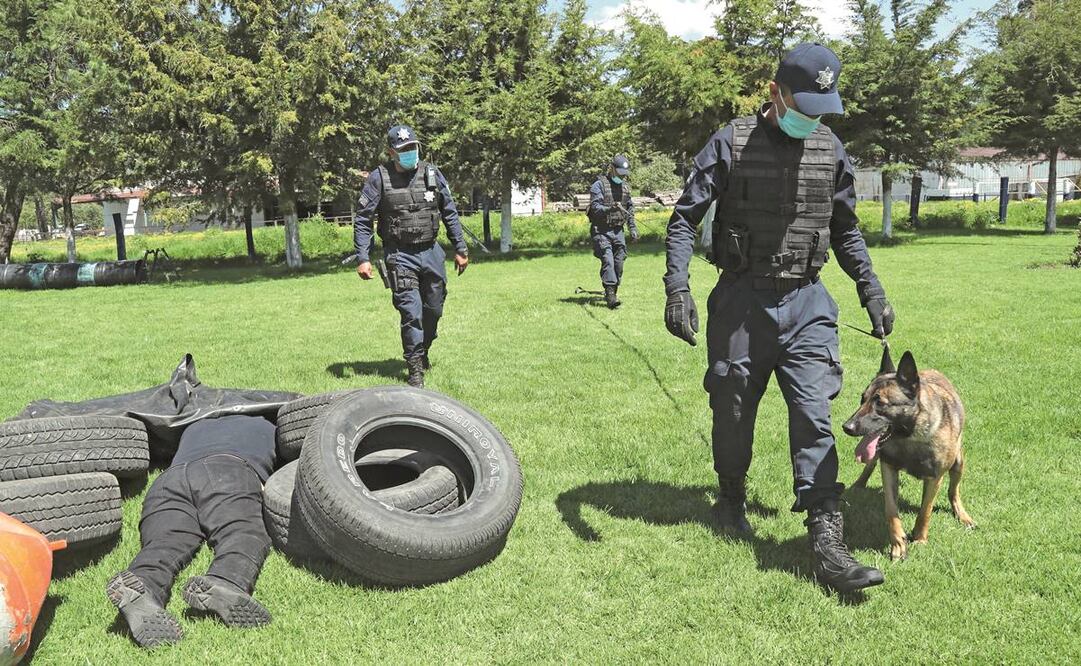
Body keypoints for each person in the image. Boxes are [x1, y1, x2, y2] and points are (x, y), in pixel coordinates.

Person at [662, 43, 896, 593]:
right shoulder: (731, 142)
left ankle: (826, 538)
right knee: (734, 404)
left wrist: (871, 288)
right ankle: (730, 496)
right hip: (742, 299)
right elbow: (682, 220)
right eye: (802, 103)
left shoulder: (830, 147)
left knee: (815, 410)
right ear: (775, 92)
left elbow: (845, 228)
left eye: (820, 107)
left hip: (808, 301)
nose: (810, 117)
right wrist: (678, 288)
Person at [106, 415, 276, 648]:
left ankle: (144, 584)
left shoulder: (195, 426)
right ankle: (226, 579)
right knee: (242, 532)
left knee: (165, 543)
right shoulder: (269, 426)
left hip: (168, 480)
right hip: (226, 470)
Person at [352, 125, 469, 388]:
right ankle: (415, 368)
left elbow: (449, 211)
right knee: (411, 312)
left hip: (431, 251)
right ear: (392, 152)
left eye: (414, 147)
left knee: (434, 309)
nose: (411, 153)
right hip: (400, 254)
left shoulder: (432, 173)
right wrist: (363, 256)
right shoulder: (378, 178)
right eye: (404, 149)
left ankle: (424, 349)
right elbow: (363, 220)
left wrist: (460, 248)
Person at [588, 155, 639, 308]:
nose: (622, 176)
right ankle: (610, 295)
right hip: (601, 230)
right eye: (620, 173)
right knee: (608, 260)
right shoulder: (598, 186)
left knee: (619, 263)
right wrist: (610, 208)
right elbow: (595, 208)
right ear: (612, 169)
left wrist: (633, 228)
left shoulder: (625, 187)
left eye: (624, 173)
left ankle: (613, 290)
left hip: (618, 231)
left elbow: (630, 209)